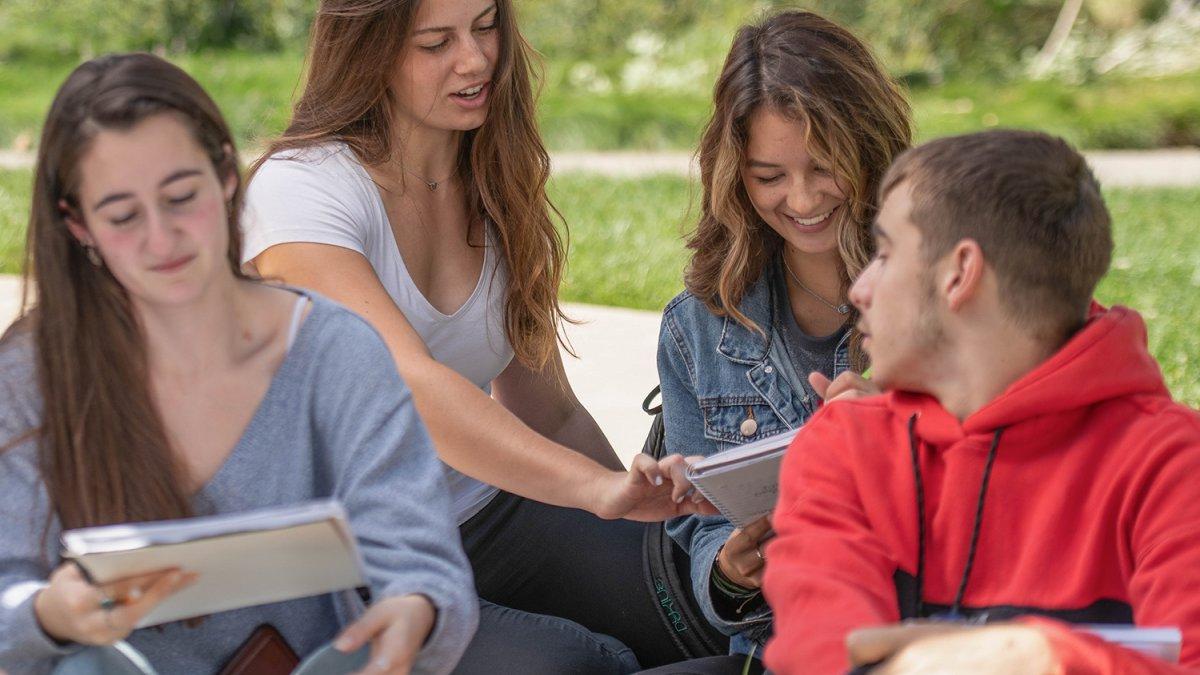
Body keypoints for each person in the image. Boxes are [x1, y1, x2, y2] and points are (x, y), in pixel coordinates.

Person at [240, 0, 711, 671]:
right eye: (436, 42)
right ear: (367, 53)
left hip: (485, 511)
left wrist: (633, 506)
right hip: (352, 558)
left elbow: (549, 407)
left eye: (486, 26)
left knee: (696, 607)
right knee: (576, 665)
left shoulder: (493, 176)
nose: (477, 58)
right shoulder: (301, 193)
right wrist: (590, 490)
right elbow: (407, 387)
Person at [0, 53, 477, 674]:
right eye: (122, 216)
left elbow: (423, 561)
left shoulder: (331, 349)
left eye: (180, 197)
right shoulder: (29, 376)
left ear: (227, 176)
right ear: (78, 225)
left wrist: (416, 610)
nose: (161, 239)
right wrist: (47, 615)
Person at [762, 129, 1200, 674]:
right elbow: (823, 657)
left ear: (959, 273)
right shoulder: (845, 446)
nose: (860, 288)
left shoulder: (1172, 462)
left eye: (885, 253)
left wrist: (1045, 658)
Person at [653, 10, 910, 671]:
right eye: (770, 176)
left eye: (825, 167)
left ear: (871, 148)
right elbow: (706, 544)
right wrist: (734, 571)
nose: (801, 198)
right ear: (735, 174)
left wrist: (902, 424)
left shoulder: (943, 288)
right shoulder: (699, 328)